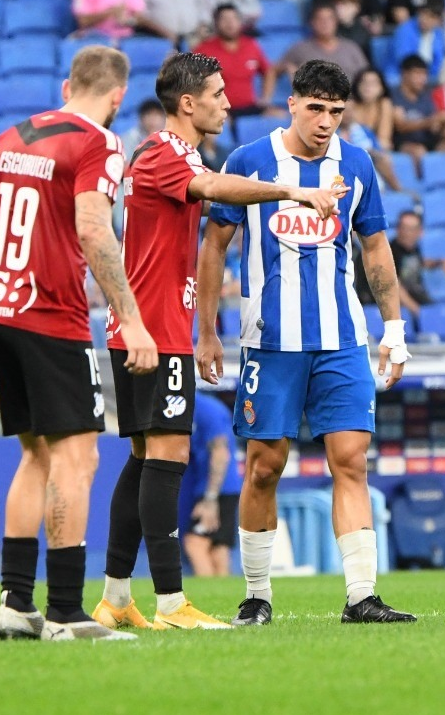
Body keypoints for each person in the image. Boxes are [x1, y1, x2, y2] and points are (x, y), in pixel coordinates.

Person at [89, 54, 341, 632]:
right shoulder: (162, 154)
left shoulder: (171, 153)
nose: (228, 103)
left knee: (142, 460)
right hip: (153, 331)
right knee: (168, 458)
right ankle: (173, 604)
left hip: (151, 328)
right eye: (219, 94)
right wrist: (291, 191)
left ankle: (116, 597)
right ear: (188, 103)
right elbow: (209, 188)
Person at [0, 46, 141, 642]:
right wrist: (131, 318)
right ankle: (66, 612)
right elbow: (94, 230)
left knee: (34, 457)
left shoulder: (13, 135)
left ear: (68, 84)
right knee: (77, 458)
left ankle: (15, 606)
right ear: (117, 98)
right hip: (52, 316)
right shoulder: (99, 142)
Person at [196, 59, 416, 626]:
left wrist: (393, 329)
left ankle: (361, 596)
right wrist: (207, 331)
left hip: (341, 338)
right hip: (269, 343)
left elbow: (375, 250)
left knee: (351, 460)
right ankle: (257, 595)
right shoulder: (249, 161)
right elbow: (214, 248)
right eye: (315, 108)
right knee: (265, 465)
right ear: (291, 103)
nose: (325, 122)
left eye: (336, 112)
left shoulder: (358, 163)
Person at [182, 390, 241, 578]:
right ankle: (225, 599)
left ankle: (206, 596)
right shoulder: (195, 407)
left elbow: (220, 453)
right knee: (219, 548)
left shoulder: (207, 409)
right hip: (219, 487)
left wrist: (210, 499)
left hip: (218, 489)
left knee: (195, 542)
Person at [193, 5, 274, 116]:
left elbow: (268, 71)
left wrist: (266, 98)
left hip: (251, 106)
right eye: (224, 19)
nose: (230, 23)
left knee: (281, 117)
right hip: (220, 109)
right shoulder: (203, 49)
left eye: (234, 18)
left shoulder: (251, 45)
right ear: (216, 23)